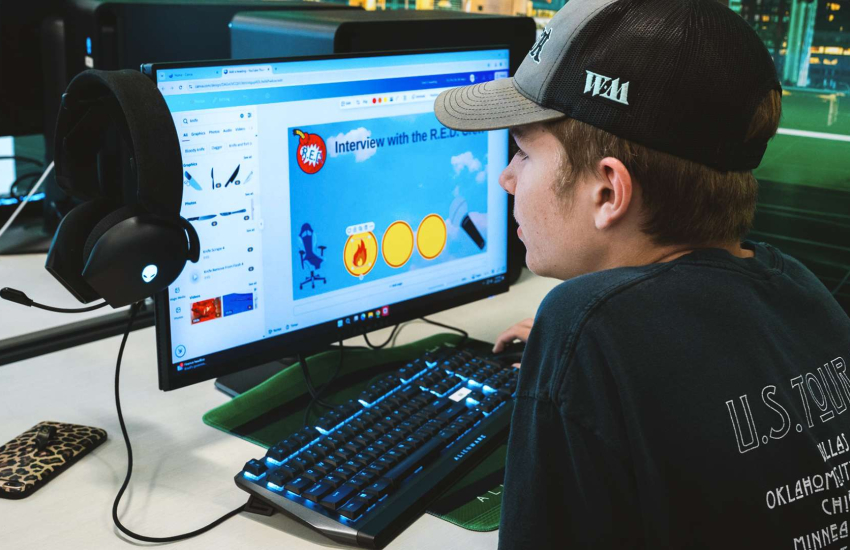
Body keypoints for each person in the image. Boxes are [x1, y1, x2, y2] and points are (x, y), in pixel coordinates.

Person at [433, 0, 850, 547]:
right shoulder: (796, 285)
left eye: (524, 154)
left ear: (608, 192)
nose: (508, 178)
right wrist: (604, 358)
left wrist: (582, 348)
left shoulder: (587, 327)